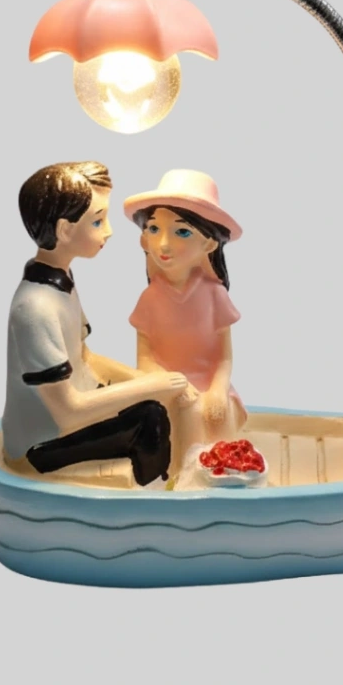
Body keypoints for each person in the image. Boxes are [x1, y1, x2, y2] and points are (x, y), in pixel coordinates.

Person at [1, 161, 188, 486]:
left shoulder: (61, 283)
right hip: (43, 440)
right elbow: (68, 411)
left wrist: (148, 381)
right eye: (98, 220)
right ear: (65, 230)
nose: (109, 230)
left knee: (156, 400)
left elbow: (85, 358)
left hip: (74, 408)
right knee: (150, 418)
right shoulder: (35, 308)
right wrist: (149, 387)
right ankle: (155, 496)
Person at [123, 170, 245, 474]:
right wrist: (172, 383)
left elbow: (224, 357)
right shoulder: (150, 300)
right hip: (166, 385)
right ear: (143, 239)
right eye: (154, 229)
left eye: (182, 232)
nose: (163, 244)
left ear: (209, 244)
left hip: (209, 383)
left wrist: (218, 389)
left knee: (217, 415)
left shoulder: (214, 296)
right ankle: (183, 479)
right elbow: (145, 360)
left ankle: (224, 475)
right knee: (185, 414)